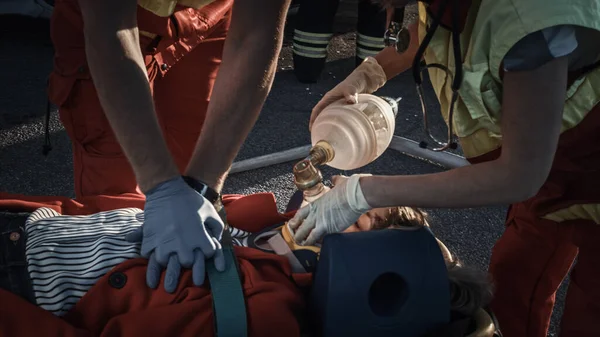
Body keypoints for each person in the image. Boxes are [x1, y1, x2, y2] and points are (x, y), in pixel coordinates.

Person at [289, 1, 600, 337]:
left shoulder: (533, 16)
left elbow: (519, 176)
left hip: (574, 167)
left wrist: (365, 193)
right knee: (513, 281)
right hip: (554, 178)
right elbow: (430, 30)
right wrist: (366, 75)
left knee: (590, 314)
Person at [46, 0, 291, 293]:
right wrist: (161, 187)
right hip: (113, 18)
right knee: (120, 208)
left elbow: (256, 34)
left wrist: (204, 187)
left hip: (209, 13)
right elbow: (110, 32)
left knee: (191, 176)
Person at [0, 191, 492, 336]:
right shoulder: (270, 229)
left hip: (20, 279)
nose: (342, 200)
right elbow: (141, 209)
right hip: (31, 223)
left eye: (361, 219)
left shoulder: (263, 315)